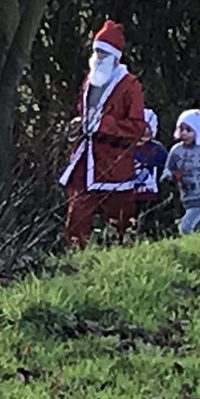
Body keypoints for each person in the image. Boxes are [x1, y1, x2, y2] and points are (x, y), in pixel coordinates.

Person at [58, 19, 146, 247]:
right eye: (96, 51)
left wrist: (102, 124)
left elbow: (137, 127)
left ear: (115, 56)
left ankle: (126, 257)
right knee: (77, 212)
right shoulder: (89, 80)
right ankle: (76, 260)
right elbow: (85, 114)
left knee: (120, 220)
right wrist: (79, 124)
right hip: (85, 157)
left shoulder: (130, 86)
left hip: (114, 161)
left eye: (103, 53)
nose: (98, 57)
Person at [132, 108, 169, 234]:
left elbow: (167, 164)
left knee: (148, 221)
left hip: (150, 194)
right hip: (129, 194)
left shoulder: (156, 149)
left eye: (146, 127)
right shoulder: (126, 148)